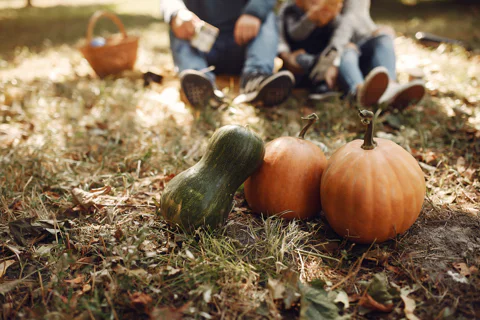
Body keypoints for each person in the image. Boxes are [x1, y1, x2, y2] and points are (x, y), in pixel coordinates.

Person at [279, 0, 426, 110]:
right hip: (330, 57)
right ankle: (360, 91)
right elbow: (292, 33)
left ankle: (391, 87)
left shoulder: (340, 14)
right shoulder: (293, 9)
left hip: (350, 47)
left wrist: (374, 31)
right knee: (347, 50)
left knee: (383, 39)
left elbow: (351, 21)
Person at [161, 0, 295, 108]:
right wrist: (177, 13)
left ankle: (256, 79)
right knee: (178, 23)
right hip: (202, 45)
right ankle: (199, 81)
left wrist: (254, 13)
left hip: (244, 44)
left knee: (267, 16)